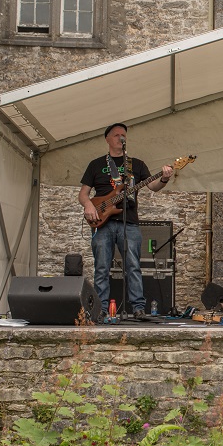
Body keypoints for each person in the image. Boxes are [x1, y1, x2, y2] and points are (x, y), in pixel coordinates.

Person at [79, 123, 173, 319]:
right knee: (102, 266)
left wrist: (164, 178)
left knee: (133, 265)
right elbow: (83, 194)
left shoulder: (136, 165)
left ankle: (138, 308)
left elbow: (153, 186)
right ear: (107, 139)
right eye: (116, 135)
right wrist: (88, 206)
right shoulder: (96, 165)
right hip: (102, 221)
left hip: (128, 222)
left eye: (123, 135)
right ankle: (101, 309)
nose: (121, 138)